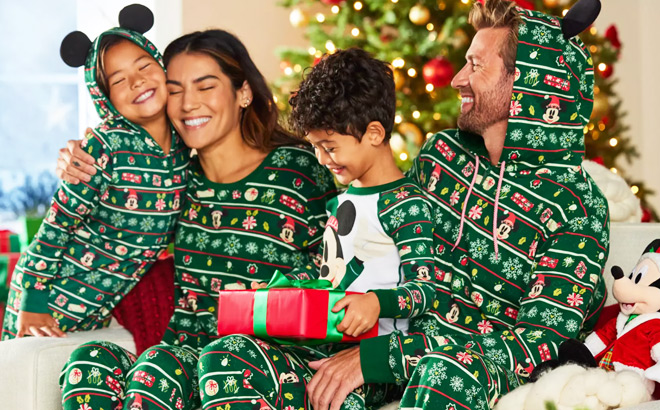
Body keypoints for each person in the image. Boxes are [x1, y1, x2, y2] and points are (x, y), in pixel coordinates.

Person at [306, 1, 608, 410]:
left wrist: (382, 359)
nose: (458, 80)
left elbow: (538, 345)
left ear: (529, 83)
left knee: (446, 370)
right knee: (235, 355)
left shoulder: (578, 207)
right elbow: (379, 243)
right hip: (383, 339)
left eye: (476, 65)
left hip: (457, 371)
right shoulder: (441, 156)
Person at [57, 29, 336, 410]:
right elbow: (106, 216)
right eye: (174, 90)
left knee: (166, 366)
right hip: (184, 359)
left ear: (243, 93)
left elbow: (344, 272)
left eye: (205, 87)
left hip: (269, 362)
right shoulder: (171, 182)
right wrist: (80, 159)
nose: (188, 104)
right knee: (90, 362)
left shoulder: (300, 170)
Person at [196, 48, 438, 410]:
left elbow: (427, 289)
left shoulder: (407, 204)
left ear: (373, 133)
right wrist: (273, 289)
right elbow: (329, 271)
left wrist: (377, 301)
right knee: (226, 356)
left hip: (370, 366)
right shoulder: (346, 199)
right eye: (316, 147)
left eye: (330, 147)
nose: (323, 159)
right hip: (324, 342)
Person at [1, 5, 190, 340]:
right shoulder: (103, 146)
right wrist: (32, 299)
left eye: (144, 66)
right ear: (105, 98)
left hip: (99, 309)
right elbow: (57, 225)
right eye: (118, 80)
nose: (137, 81)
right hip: (49, 300)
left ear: (162, 67)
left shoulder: (184, 149)